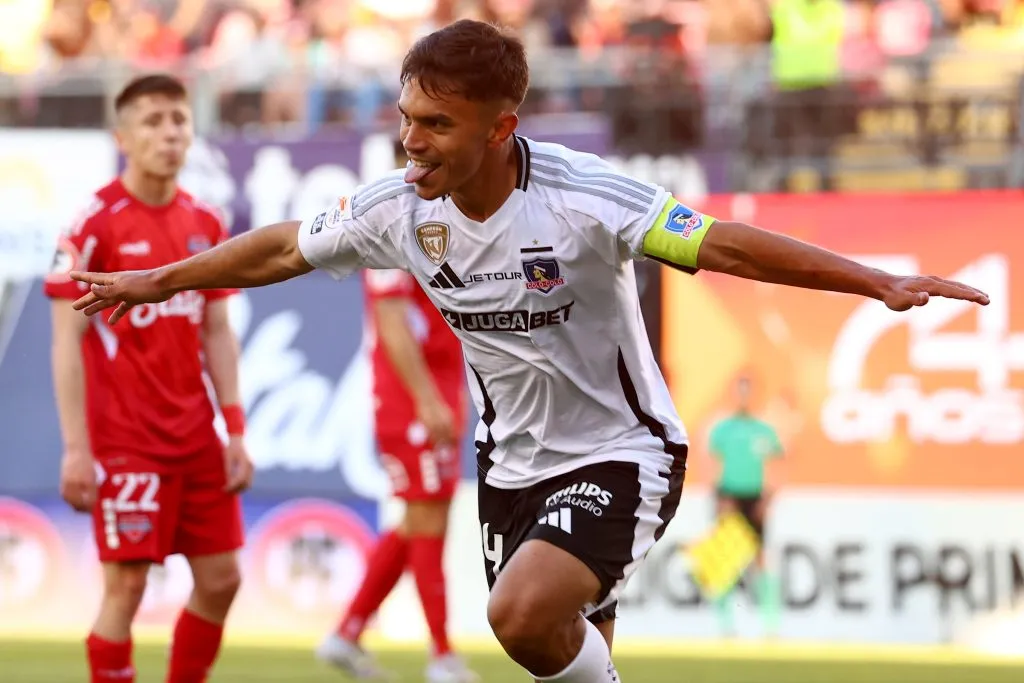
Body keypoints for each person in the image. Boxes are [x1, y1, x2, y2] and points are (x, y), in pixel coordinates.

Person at [65, 20, 989, 683]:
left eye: (435, 124)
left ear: (500, 128)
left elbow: (728, 243)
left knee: (519, 617)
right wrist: (163, 280)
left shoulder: (586, 198)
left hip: (623, 450)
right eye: (406, 117)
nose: (409, 141)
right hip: (511, 463)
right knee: (571, 645)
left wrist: (877, 281)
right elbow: (277, 248)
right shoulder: (399, 209)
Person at [45, 74, 253, 683]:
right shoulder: (94, 225)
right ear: (123, 138)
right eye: (153, 121)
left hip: (195, 438)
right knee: (128, 584)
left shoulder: (205, 223)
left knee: (222, 579)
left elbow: (217, 329)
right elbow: (66, 341)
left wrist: (234, 429)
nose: (169, 133)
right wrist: (77, 450)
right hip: (126, 441)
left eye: (178, 120)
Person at [316, 144, 478, 683]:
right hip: (410, 395)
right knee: (427, 520)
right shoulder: (390, 221)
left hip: (437, 387)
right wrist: (429, 399)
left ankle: (347, 633)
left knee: (418, 521)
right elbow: (390, 320)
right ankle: (440, 655)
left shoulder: (447, 216)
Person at [708, 374, 784, 638]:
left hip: (755, 497)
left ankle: (770, 625)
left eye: (747, 391)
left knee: (761, 560)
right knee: (726, 561)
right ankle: (726, 626)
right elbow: (711, 463)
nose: (743, 396)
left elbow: (778, 465)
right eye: (739, 391)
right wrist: (719, 496)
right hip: (730, 497)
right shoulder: (723, 428)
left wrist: (769, 497)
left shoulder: (764, 430)